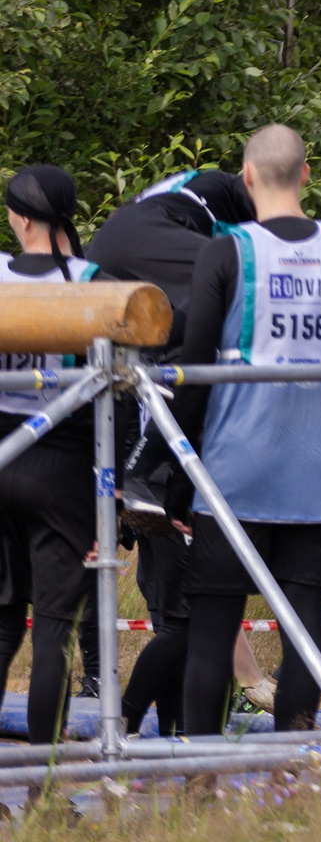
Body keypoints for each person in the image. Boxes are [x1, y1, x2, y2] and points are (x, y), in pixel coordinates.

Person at [169, 125, 321, 737]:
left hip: (235, 468)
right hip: (314, 470)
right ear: (306, 174)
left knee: (211, 631)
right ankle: (293, 770)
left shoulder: (227, 251)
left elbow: (195, 370)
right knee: (304, 630)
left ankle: (202, 782)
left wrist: (180, 477)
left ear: (248, 176)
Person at [89, 163, 261, 731]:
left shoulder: (186, 209)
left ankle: (171, 732)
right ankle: (130, 721)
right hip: (166, 476)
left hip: (113, 261)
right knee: (241, 290)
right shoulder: (219, 196)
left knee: (177, 617)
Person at [0, 166, 104, 743]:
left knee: (0, 628)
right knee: (55, 633)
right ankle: (42, 778)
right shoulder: (91, 281)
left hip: (1, 456)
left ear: (20, 217)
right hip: (62, 466)